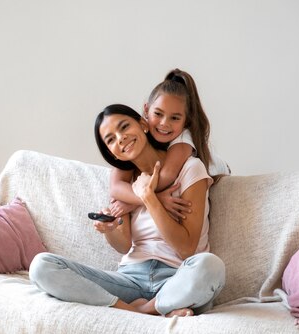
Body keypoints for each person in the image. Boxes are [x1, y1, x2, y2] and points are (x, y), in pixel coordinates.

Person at [29, 104, 225, 317]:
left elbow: (187, 248)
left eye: (124, 127)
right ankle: (136, 309)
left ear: (143, 124)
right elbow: (123, 246)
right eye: (110, 139)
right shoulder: (123, 183)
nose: (120, 138)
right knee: (42, 266)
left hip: (177, 278)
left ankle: (146, 309)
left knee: (211, 267)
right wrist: (110, 229)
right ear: (110, 152)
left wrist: (149, 198)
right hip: (130, 280)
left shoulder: (190, 168)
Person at [110, 69, 230, 220]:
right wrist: (156, 198)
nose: (164, 124)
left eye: (174, 118)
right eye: (158, 114)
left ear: (185, 121)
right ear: (146, 110)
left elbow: (166, 176)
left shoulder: (183, 139)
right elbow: (115, 187)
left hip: (218, 168)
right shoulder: (138, 132)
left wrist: (131, 203)